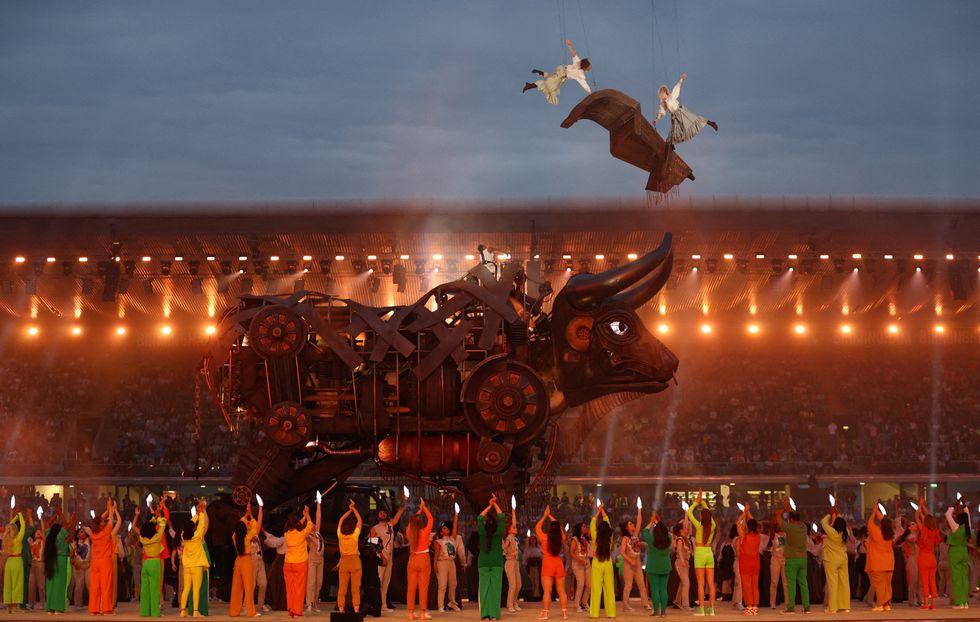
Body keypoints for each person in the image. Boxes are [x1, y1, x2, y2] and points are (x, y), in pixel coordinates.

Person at [652, 73, 718, 144]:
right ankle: (670, 145)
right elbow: (661, 113)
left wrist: (681, 79)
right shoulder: (663, 104)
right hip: (675, 117)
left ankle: (711, 123)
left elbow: (676, 89)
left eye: (662, 94)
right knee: (674, 131)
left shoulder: (671, 97)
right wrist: (656, 119)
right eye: (661, 95)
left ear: (665, 92)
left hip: (680, 112)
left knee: (694, 119)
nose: (662, 96)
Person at [522, 39, 592, 105]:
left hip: (561, 71)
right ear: (585, 67)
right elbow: (584, 84)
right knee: (549, 85)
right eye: (589, 67)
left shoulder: (578, 63)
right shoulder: (580, 74)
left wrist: (569, 45)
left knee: (549, 79)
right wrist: (590, 93)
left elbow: (574, 54)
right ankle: (530, 85)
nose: (590, 68)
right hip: (561, 75)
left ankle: (537, 75)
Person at [370, 495, 407, 612]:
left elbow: (398, 514)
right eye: (380, 513)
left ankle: (383, 605)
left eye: (384, 513)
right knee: (379, 582)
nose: (382, 514)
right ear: (377, 516)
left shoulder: (390, 525)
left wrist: (404, 501)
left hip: (389, 558)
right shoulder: (374, 528)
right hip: (380, 558)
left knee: (386, 582)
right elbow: (372, 545)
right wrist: (381, 557)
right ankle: (375, 604)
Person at [283, 500, 320, 619]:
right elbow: (310, 524)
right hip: (300, 563)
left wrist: (303, 516)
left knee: (290, 589)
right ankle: (297, 612)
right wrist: (307, 514)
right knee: (299, 589)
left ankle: (290, 611)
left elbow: (297, 525)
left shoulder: (287, 534)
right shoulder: (302, 534)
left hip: (288, 564)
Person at [85, 498, 122, 615]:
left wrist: (107, 509)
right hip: (105, 562)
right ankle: (106, 609)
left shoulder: (92, 534)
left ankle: (94, 609)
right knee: (106, 586)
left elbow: (99, 520)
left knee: (95, 586)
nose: (104, 522)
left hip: (95, 562)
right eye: (102, 522)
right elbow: (111, 520)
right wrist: (111, 509)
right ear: (101, 525)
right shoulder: (106, 533)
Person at [774, 498, 810, 614]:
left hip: (792, 559)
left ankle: (791, 607)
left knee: (791, 584)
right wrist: (790, 509)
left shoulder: (789, 528)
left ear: (790, 519)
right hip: (803, 558)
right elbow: (794, 517)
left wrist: (784, 507)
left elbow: (777, 515)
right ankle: (806, 607)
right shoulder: (804, 527)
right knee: (803, 583)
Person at [229, 499, 262, 618]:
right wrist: (250, 516)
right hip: (247, 561)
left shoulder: (235, 538)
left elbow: (236, 530)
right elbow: (256, 526)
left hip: (238, 561)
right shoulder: (247, 538)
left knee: (236, 588)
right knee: (248, 588)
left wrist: (244, 518)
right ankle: (251, 612)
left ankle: (234, 611)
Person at [134, 503, 168, 617]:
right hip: (155, 563)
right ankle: (155, 612)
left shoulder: (142, 538)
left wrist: (153, 517)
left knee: (145, 589)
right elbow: (163, 523)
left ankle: (144, 611)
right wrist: (158, 517)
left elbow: (147, 527)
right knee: (154, 588)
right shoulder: (157, 537)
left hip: (146, 563)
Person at [687, 490, 717, 616]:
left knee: (701, 583)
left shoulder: (699, 527)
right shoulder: (713, 526)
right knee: (711, 583)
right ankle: (712, 609)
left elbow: (689, 513)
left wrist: (696, 502)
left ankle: (701, 609)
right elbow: (709, 515)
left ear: (701, 517)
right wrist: (703, 503)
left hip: (699, 553)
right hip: (709, 553)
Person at [536, 506, 568, 620]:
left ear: (550, 529)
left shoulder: (544, 538)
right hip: (558, 563)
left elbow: (538, 527)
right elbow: (559, 527)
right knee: (561, 591)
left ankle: (545, 613)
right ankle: (564, 613)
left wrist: (545, 515)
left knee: (547, 592)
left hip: (548, 563)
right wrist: (551, 516)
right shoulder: (562, 538)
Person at [178, 499, 209, 618]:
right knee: (195, 589)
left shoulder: (183, 536)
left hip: (187, 566)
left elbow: (190, 524)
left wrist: (196, 514)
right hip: (196, 566)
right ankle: (195, 612)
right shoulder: (197, 536)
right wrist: (201, 511)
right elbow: (202, 523)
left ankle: (182, 611)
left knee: (186, 589)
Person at [477, 495, 505, 621]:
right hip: (496, 563)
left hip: (483, 562)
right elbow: (502, 517)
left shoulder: (482, 533)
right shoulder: (498, 534)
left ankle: (485, 614)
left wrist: (489, 505)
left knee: (484, 589)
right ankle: (494, 614)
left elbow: (479, 518)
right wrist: (495, 504)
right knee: (495, 589)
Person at [406, 498, 434, 620]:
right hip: (424, 559)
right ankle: (422, 613)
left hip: (413, 559)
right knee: (423, 588)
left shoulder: (409, 533)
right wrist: (424, 508)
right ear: (420, 523)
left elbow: (410, 524)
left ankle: (411, 613)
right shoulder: (425, 532)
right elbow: (431, 519)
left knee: (411, 588)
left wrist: (418, 511)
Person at [618, 504, 650, 612]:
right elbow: (622, 552)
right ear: (626, 527)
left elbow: (639, 522)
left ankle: (645, 603)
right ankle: (625, 605)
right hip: (628, 564)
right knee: (628, 585)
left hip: (637, 562)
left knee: (641, 585)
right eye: (630, 524)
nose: (633, 525)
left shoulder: (635, 535)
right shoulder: (625, 538)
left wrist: (639, 509)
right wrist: (630, 560)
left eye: (632, 523)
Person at [641, 511, 671, 618]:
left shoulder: (651, 539)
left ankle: (655, 611)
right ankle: (663, 612)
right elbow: (667, 533)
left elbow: (644, 531)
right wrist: (658, 522)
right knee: (663, 589)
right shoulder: (669, 539)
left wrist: (652, 522)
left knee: (655, 590)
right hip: (665, 566)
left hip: (653, 567)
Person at [819, 506, 850, 614]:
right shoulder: (846, 533)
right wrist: (838, 513)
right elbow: (843, 522)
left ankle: (833, 608)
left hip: (831, 560)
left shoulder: (832, 532)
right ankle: (845, 606)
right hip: (843, 560)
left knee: (832, 583)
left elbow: (823, 522)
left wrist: (830, 513)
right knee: (844, 583)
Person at [866, 503, 894, 612]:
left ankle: (879, 605)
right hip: (889, 562)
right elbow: (885, 522)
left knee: (879, 585)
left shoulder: (876, 531)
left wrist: (874, 512)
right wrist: (879, 512)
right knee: (888, 584)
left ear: (881, 524)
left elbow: (870, 523)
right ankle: (887, 604)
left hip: (878, 562)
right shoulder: (890, 533)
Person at [589, 502, 615, 619]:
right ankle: (611, 613)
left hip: (597, 562)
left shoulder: (595, 536)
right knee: (609, 589)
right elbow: (607, 521)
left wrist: (598, 511)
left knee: (596, 589)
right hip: (608, 562)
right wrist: (602, 510)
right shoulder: (610, 537)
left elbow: (592, 522)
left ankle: (594, 613)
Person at [42, 512, 71, 615]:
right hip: (61, 561)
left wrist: (54, 515)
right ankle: (58, 608)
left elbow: (47, 524)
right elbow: (66, 525)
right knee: (60, 585)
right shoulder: (60, 535)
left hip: (51, 560)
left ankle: (50, 608)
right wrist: (61, 513)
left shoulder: (49, 535)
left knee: (51, 585)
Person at [913, 499, 940, 610]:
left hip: (923, 558)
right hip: (932, 558)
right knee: (932, 581)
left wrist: (919, 506)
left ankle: (925, 603)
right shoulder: (935, 531)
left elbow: (916, 517)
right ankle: (933, 603)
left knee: (925, 582)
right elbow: (929, 517)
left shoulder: (923, 530)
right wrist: (924, 506)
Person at [434, 506, 461, 612]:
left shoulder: (452, 539)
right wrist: (435, 565)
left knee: (453, 583)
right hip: (442, 563)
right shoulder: (438, 542)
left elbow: (455, 526)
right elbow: (436, 555)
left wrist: (456, 515)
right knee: (442, 585)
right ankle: (440, 605)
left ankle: (452, 603)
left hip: (451, 562)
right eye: (443, 528)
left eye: (446, 528)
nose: (444, 529)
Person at [944, 503, 971, 609]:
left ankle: (959, 602)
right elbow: (967, 515)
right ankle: (965, 602)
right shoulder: (967, 528)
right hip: (964, 551)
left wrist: (952, 508)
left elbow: (947, 515)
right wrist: (965, 508)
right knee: (964, 577)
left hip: (955, 552)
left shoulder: (956, 528)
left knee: (956, 578)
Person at [736, 505, 761, 616]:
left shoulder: (744, 536)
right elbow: (753, 521)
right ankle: (754, 607)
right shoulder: (758, 536)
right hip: (755, 561)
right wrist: (748, 512)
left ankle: (749, 607)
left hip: (745, 562)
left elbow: (738, 523)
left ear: (748, 526)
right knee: (754, 585)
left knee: (746, 585)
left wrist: (744, 513)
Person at [4, 510, 25, 613]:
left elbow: (9, 525)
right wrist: (20, 515)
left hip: (9, 562)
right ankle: (15, 607)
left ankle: (9, 607)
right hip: (17, 561)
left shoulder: (6, 538)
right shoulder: (18, 539)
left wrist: (15, 517)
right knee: (17, 583)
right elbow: (23, 526)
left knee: (8, 583)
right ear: (16, 530)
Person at [503, 507, 522, 613]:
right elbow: (504, 547)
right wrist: (505, 549)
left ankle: (514, 602)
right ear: (509, 530)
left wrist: (514, 511)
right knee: (513, 585)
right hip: (510, 562)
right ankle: (510, 604)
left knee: (519, 584)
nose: (515, 528)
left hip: (515, 562)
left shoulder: (513, 537)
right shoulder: (509, 537)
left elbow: (514, 522)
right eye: (513, 528)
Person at [569, 522, 591, 612]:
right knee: (580, 584)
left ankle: (584, 602)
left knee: (589, 584)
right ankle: (576, 604)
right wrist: (579, 559)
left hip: (586, 562)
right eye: (584, 526)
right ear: (579, 528)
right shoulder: (575, 539)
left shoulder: (585, 538)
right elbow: (572, 553)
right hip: (578, 563)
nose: (586, 528)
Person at [672, 517, 692, 610]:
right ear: (681, 530)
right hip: (681, 562)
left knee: (683, 583)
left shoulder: (685, 539)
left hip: (685, 562)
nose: (687, 529)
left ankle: (677, 601)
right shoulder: (679, 539)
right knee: (686, 583)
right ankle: (685, 605)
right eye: (684, 527)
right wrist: (683, 560)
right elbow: (679, 550)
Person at [306, 519, 325, 614]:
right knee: (312, 582)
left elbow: (318, 517)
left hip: (321, 560)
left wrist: (318, 504)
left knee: (319, 583)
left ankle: (314, 602)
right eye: (311, 524)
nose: (314, 525)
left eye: (314, 524)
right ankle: (309, 603)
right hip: (312, 559)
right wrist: (306, 516)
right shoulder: (308, 535)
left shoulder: (318, 534)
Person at [27, 513, 45, 611]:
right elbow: (31, 529)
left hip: (40, 563)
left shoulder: (43, 542)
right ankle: (31, 603)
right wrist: (30, 517)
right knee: (31, 584)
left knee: (41, 584)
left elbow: (42, 530)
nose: (38, 532)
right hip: (32, 564)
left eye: (39, 532)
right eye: (36, 532)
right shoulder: (31, 542)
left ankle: (42, 603)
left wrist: (41, 519)